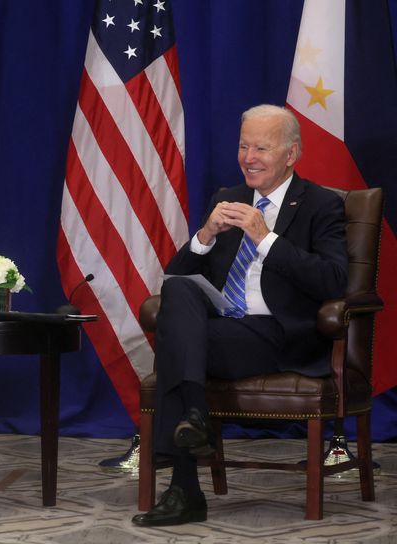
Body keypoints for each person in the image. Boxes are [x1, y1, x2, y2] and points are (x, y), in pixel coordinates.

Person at [131, 104, 348, 527]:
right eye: (243, 146)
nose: (248, 157)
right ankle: (195, 420)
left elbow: (333, 280)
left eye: (261, 148)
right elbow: (178, 278)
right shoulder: (226, 199)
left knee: (178, 346)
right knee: (179, 289)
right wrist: (206, 235)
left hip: (277, 333)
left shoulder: (321, 205)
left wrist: (266, 238)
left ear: (291, 154)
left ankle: (185, 489)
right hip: (221, 327)